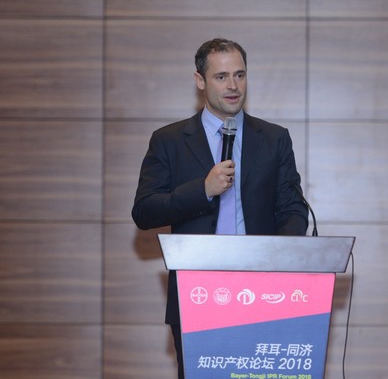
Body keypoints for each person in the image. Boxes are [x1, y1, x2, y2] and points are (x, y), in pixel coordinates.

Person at [131, 37, 308, 378]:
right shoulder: (169, 140)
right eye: (221, 76)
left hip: (263, 293)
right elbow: (145, 211)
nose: (233, 86)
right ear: (200, 81)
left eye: (240, 75)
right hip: (197, 293)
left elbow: (293, 209)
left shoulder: (273, 139)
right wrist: (203, 190)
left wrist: (277, 260)